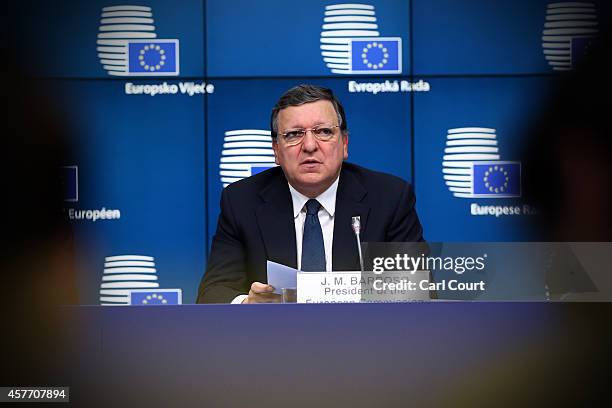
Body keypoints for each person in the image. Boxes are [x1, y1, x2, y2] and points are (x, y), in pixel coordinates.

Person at [197, 84, 423, 304]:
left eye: (323, 132)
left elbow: (417, 290)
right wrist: (248, 304)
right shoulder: (241, 201)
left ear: (344, 143)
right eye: (294, 134)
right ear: (276, 150)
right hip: (274, 338)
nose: (309, 145)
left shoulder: (389, 198)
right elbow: (214, 291)